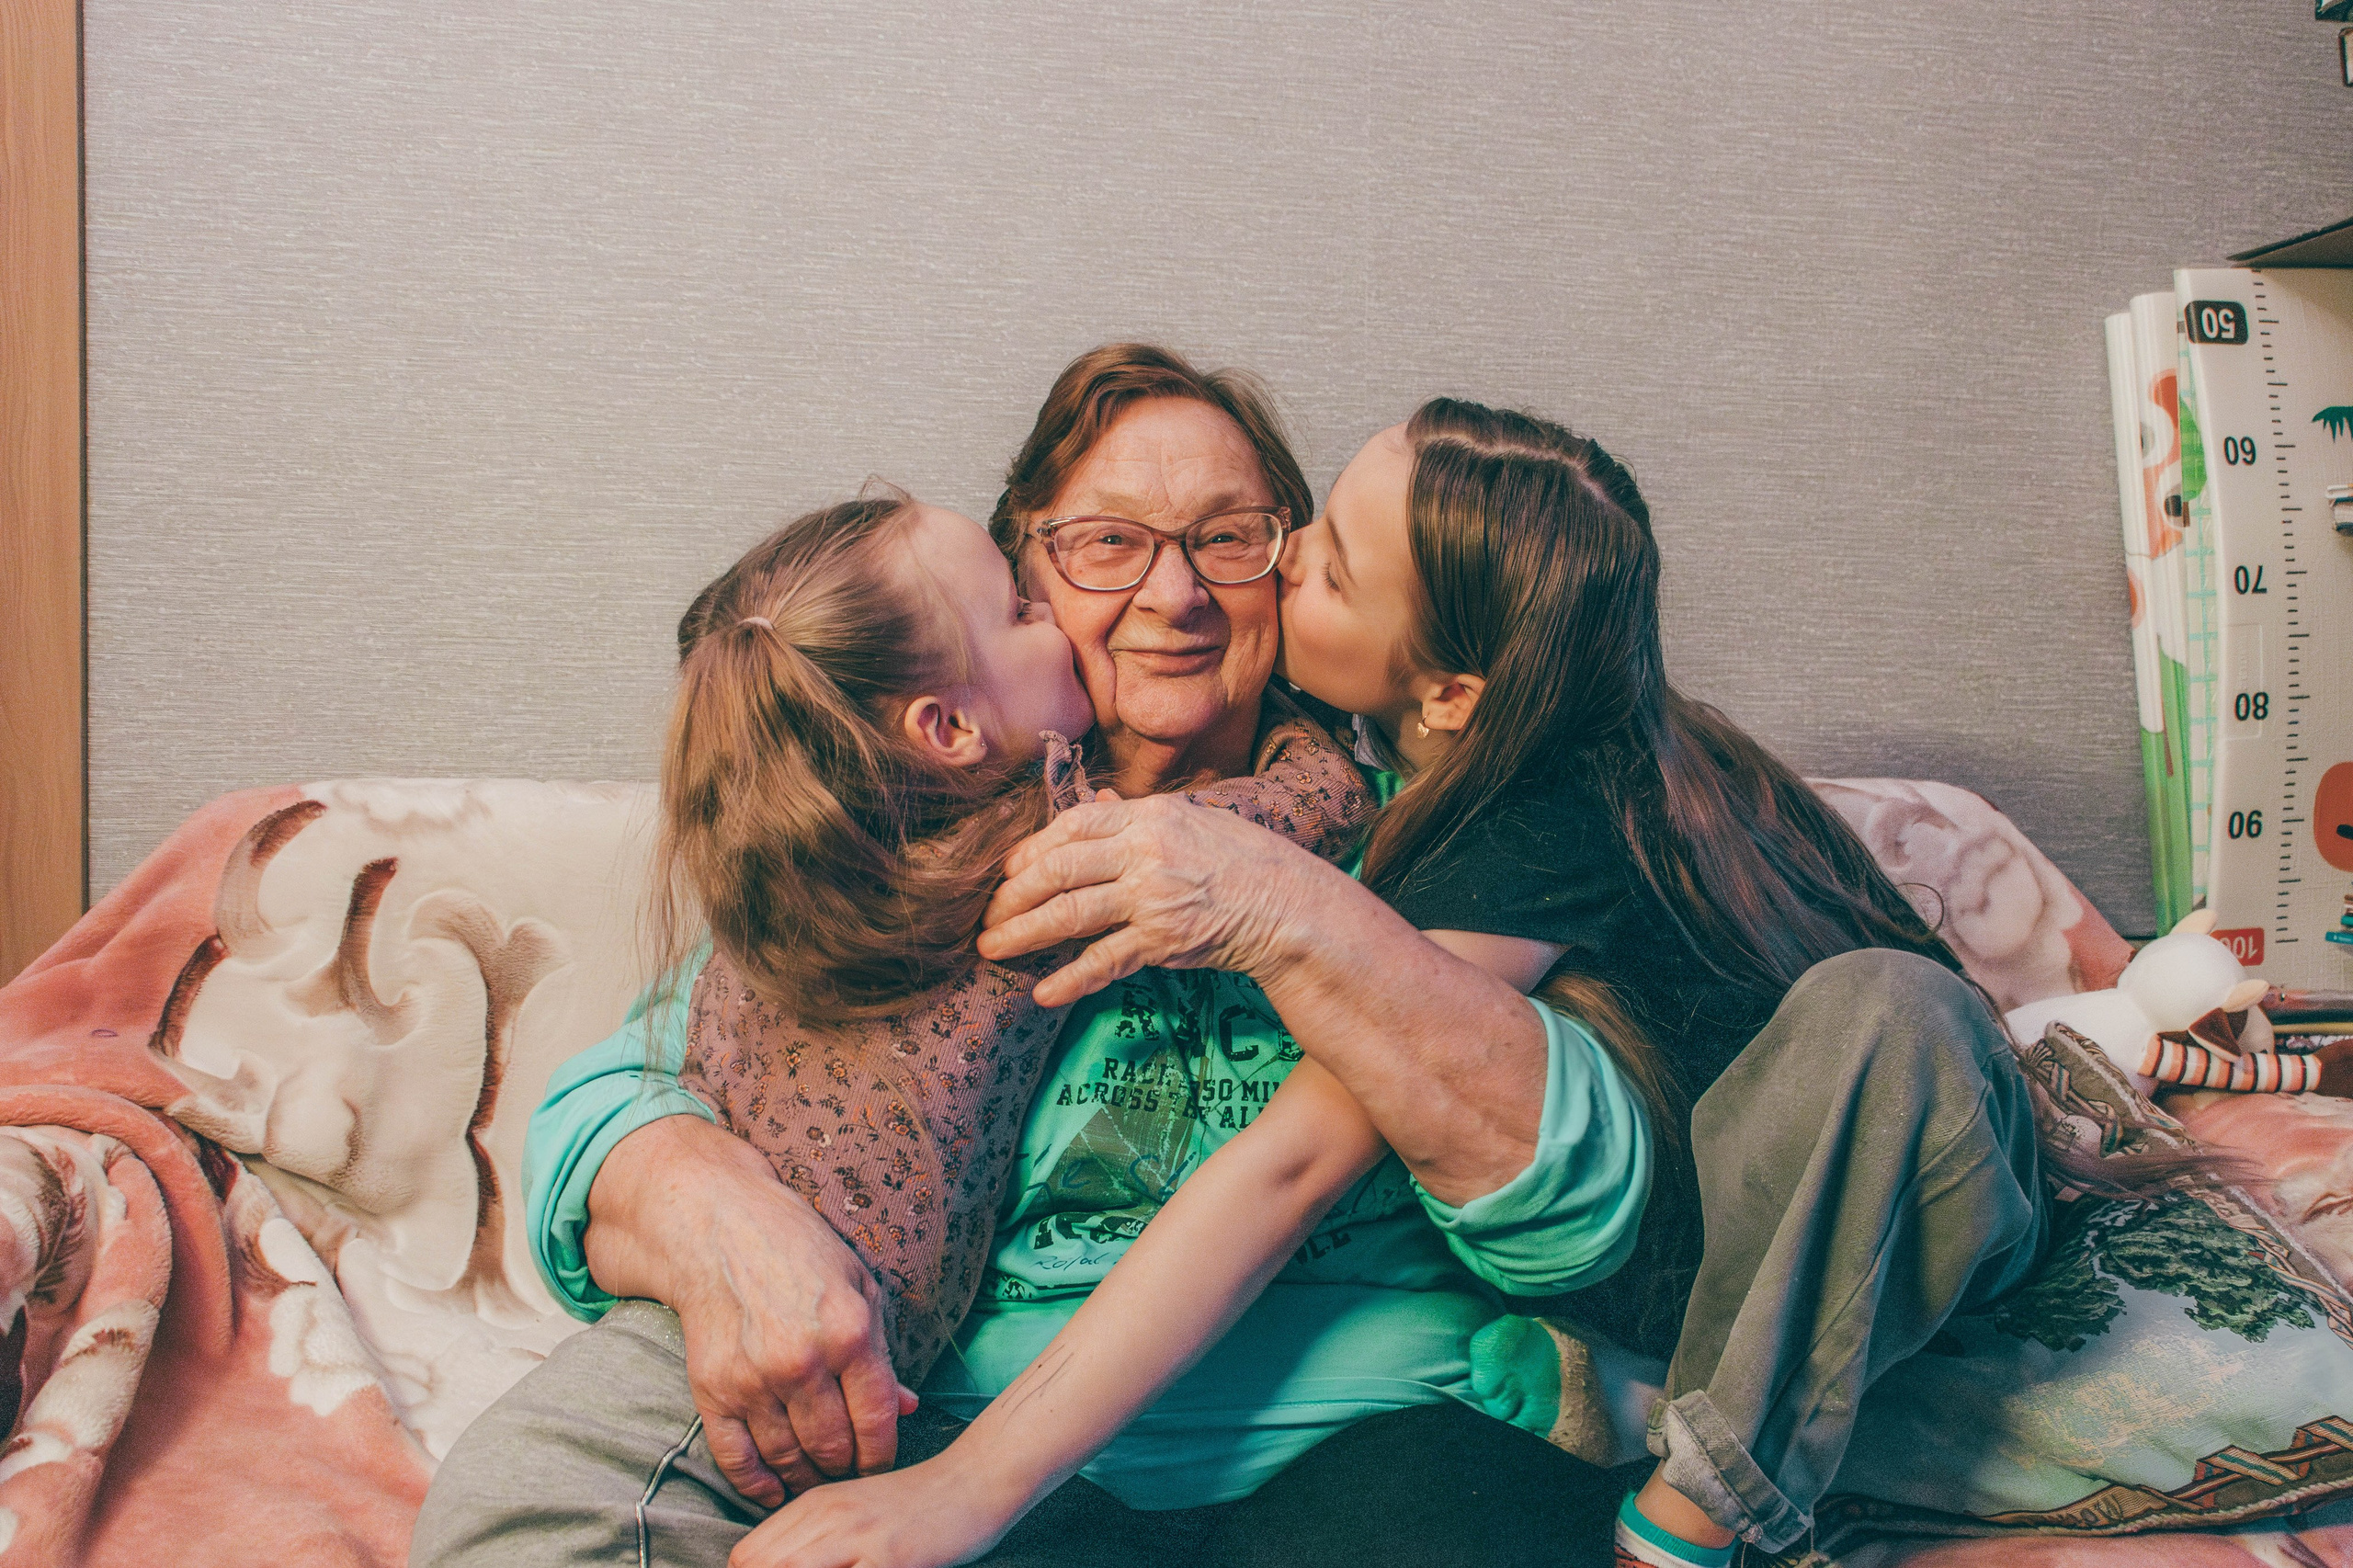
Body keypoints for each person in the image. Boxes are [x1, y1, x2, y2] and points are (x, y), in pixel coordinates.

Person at [413, 347, 1651, 1568]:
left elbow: (1584, 1218)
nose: (1177, 597)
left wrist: (1289, 907)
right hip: (934, 1442)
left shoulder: (1434, 831)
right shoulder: (917, 837)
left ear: (1294, 565)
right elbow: (618, 1103)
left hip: (1360, 1454)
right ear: (1029, 583)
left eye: (1231, 539)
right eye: (1108, 543)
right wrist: (717, 1207)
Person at [972, 399, 2050, 1567]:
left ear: (1448, 693)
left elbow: (1302, 1152)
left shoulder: (1528, 816)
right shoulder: (1603, 758)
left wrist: (966, 1485)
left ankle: (1694, 1521)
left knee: (1888, 1007)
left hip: (1895, 1209)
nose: (1266, 579)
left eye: (1315, 564)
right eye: (1302, 533)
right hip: (1750, 1218)